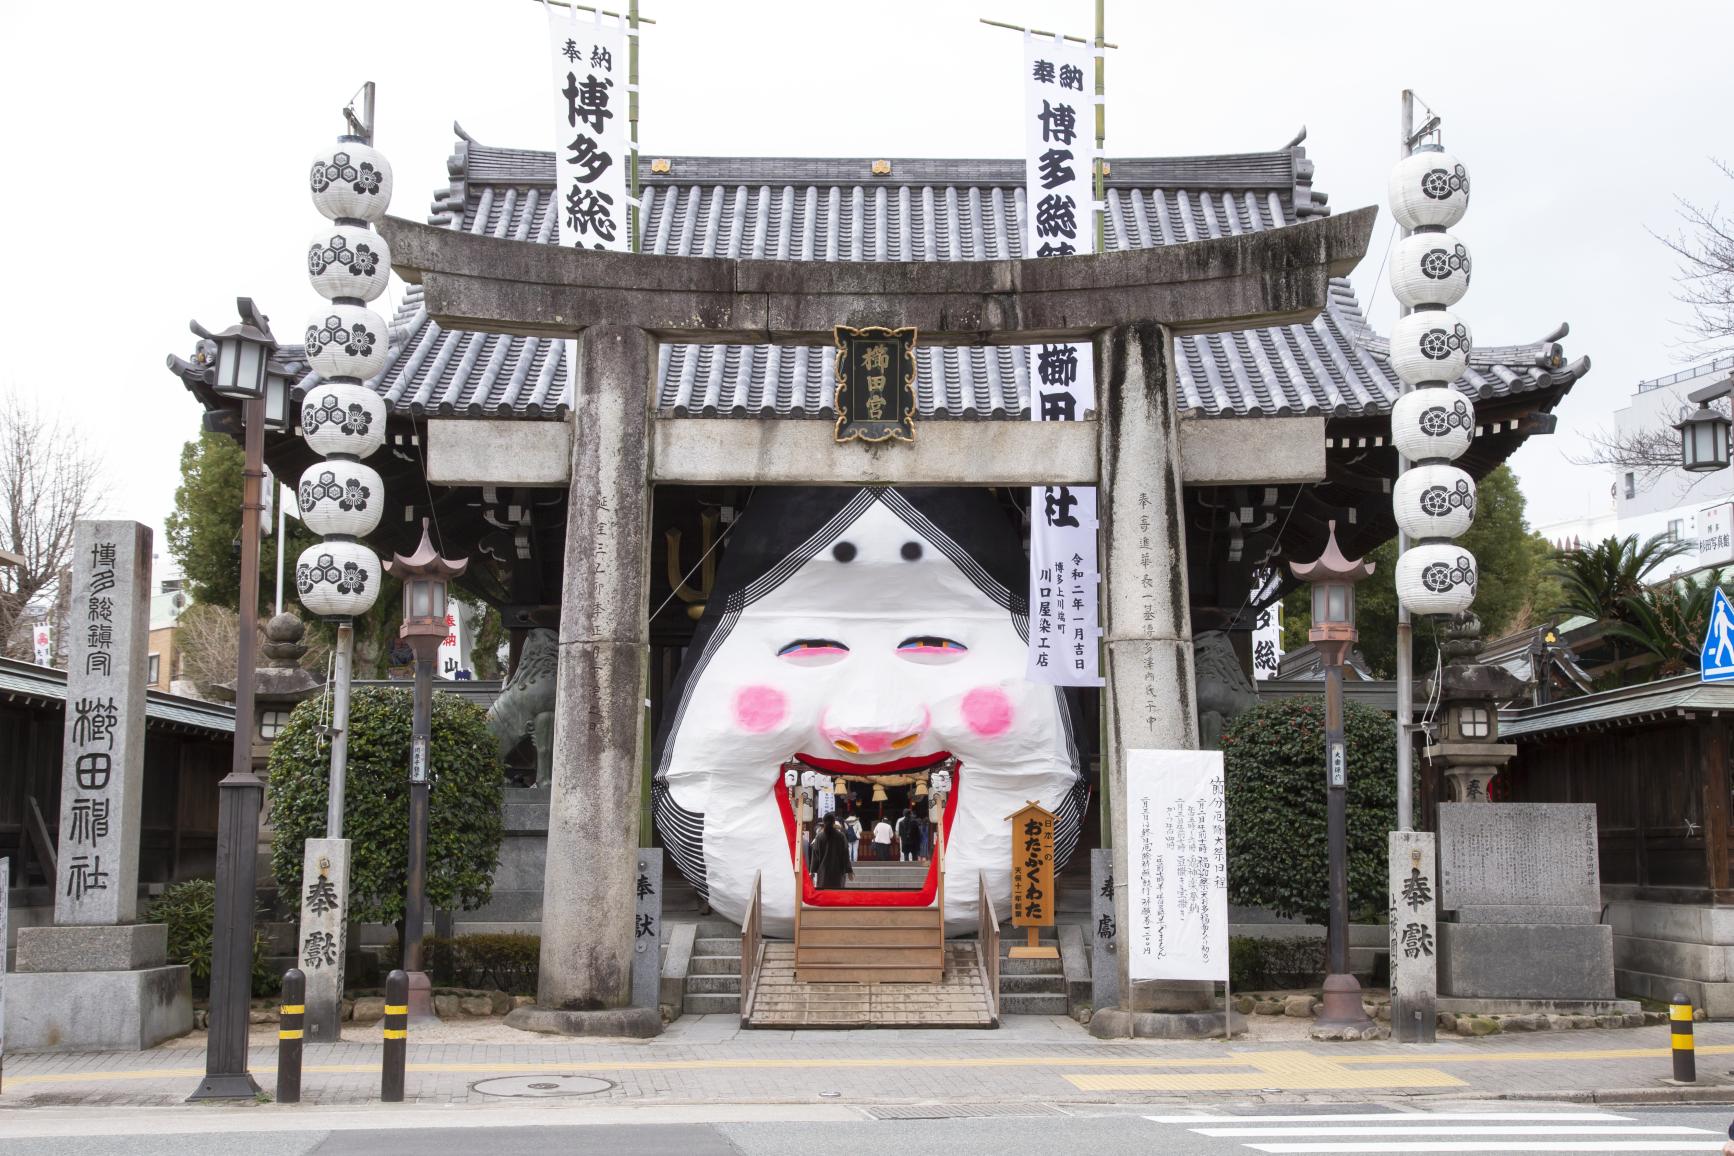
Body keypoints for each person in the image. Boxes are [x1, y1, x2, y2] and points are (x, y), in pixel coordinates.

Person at [810, 814, 852, 890]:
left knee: (824, 897)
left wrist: (812, 871)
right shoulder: (841, 836)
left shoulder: (819, 837)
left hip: (823, 873)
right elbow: (845, 854)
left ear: (823, 822)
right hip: (838, 873)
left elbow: (815, 855)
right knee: (837, 897)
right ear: (834, 822)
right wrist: (849, 870)